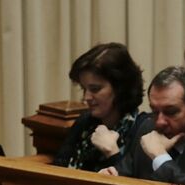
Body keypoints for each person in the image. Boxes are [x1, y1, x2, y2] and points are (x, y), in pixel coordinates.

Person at [53, 43, 147, 172]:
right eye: (84, 89)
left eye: (95, 89)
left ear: (120, 88)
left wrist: (112, 153)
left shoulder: (142, 129)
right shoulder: (84, 121)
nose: (86, 97)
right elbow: (58, 170)